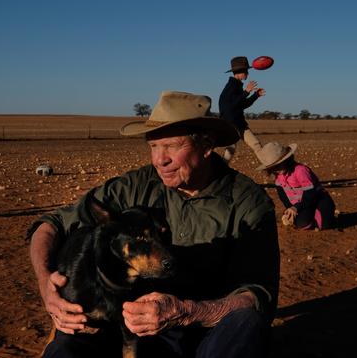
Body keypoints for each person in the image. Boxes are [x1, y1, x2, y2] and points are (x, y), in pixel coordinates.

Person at [28, 91, 280, 357]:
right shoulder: (135, 187)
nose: (160, 160)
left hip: (205, 326)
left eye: (172, 146)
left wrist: (188, 311)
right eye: (153, 146)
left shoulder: (247, 202)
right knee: (67, 345)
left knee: (246, 323)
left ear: (206, 146)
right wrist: (46, 283)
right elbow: (52, 224)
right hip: (133, 328)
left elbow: (257, 294)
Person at [256, 142, 336, 230]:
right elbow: (283, 197)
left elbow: (310, 193)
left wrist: (296, 207)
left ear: (287, 159)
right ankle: (311, 216)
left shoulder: (300, 170)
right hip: (302, 205)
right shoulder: (278, 177)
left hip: (317, 199)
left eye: (279, 163)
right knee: (302, 224)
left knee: (322, 225)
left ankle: (320, 215)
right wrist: (290, 209)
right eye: (274, 166)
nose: (278, 168)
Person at [218, 56, 266, 163]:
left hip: (240, 124)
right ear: (239, 72)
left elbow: (242, 104)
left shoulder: (237, 86)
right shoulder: (231, 86)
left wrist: (255, 95)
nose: (247, 74)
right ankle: (220, 171)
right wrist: (246, 92)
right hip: (230, 124)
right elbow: (230, 106)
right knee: (230, 149)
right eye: (246, 71)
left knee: (256, 145)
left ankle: (272, 168)